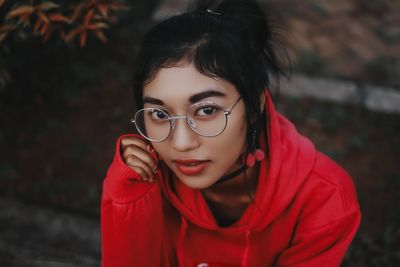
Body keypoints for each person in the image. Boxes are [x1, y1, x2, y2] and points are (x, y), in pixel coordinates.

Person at [101, 0, 361, 266]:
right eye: (159, 114)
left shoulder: (324, 199)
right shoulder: (145, 177)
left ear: (253, 106)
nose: (180, 143)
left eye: (206, 110)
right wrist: (127, 201)